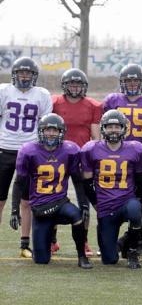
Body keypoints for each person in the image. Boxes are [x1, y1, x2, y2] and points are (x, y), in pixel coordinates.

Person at [9, 113, 92, 268]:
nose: (51, 133)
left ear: (61, 132)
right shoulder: (28, 151)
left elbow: (77, 180)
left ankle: (82, 256)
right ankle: (47, 237)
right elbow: (19, 183)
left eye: (55, 130)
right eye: (48, 130)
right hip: (40, 207)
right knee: (41, 260)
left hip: (60, 202)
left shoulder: (70, 150)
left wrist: (84, 204)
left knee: (76, 215)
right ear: (41, 131)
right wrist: (14, 210)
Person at [103, 63, 142, 258]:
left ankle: (138, 241)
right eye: (129, 80)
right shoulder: (112, 100)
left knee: (140, 198)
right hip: (114, 156)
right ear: (122, 82)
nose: (133, 84)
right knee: (114, 196)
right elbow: (105, 128)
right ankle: (117, 239)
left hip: (140, 157)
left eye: (136, 80)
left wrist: (134, 150)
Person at [80, 110, 142, 269]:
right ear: (103, 128)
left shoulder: (136, 148)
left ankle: (132, 251)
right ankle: (120, 243)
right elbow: (87, 182)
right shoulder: (91, 149)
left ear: (124, 128)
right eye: (110, 126)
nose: (114, 130)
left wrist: (137, 200)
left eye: (117, 126)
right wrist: (96, 203)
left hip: (126, 202)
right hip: (105, 206)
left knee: (136, 209)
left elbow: (141, 180)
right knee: (109, 260)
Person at [0, 57, 52, 258]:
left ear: (34, 75)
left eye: (28, 73)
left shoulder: (41, 95)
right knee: (0, 200)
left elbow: (46, 124)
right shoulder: (4, 91)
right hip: (5, 149)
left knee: (27, 201)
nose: (24, 76)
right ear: (14, 74)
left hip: (30, 151)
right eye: (21, 72)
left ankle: (24, 244)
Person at [52, 68, 101, 257]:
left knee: (84, 202)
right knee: (53, 199)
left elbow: (95, 136)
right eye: (71, 84)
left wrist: (95, 157)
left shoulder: (93, 105)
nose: (74, 87)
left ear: (84, 86)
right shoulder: (54, 102)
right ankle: (52, 240)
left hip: (82, 158)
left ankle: (84, 241)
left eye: (78, 84)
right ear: (65, 85)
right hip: (57, 158)